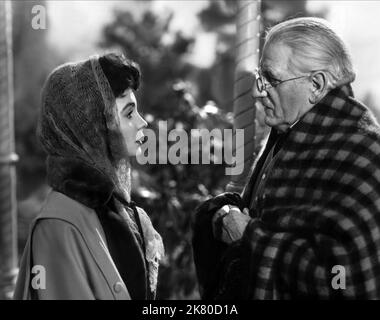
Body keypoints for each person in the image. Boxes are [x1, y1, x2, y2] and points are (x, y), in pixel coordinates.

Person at [193, 17, 380, 299]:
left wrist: (250, 239)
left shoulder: (362, 154)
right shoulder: (291, 134)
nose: (258, 90)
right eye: (260, 76)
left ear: (316, 85)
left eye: (271, 79)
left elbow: (344, 280)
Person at [14, 53, 164, 300]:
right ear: (94, 126)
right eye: (128, 113)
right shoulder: (58, 227)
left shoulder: (119, 207)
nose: (142, 123)